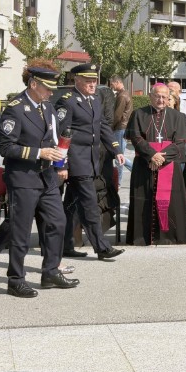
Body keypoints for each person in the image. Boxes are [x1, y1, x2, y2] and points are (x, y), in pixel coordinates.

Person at [0, 66, 80, 297]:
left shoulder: (48, 107)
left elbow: (54, 139)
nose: (50, 93)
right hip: (23, 178)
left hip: (46, 177)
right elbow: (6, 147)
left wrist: (59, 159)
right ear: (33, 84)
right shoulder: (15, 109)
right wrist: (39, 153)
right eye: (47, 88)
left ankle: (50, 271)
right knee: (21, 231)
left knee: (57, 222)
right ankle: (16, 279)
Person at [55, 63, 125, 261]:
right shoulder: (67, 102)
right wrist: (63, 165)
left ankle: (64, 245)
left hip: (91, 160)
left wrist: (116, 149)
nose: (93, 84)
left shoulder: (94, 100)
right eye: (88, 81)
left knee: (71, 205)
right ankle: (101, 247)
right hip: (76, 161)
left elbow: (103, 126)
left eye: (94, 80)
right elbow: (61, 135)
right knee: (89, 204)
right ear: (76, 80)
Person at [126, 83, 186, 245]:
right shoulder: (138, 114)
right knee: (144, 201)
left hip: (169, 165)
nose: (161, 100)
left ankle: (170, 237)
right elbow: (136, 138)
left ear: (169, 98)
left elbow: (180, 143)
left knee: (172, 204)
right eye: (157, 96)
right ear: (150, 96)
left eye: (164, 97)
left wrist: (160, 157)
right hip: (144, 164)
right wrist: (151, 155)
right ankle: (142, 237)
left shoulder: (178, 117)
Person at [110, 76, 133, 184]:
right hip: (123, 127)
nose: (111, 86)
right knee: (119, 155)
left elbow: (117, 115)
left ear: (118, 82)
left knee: (118, 155)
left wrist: (111, 127)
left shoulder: (122, 96)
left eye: (112, 83)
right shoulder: (125, 93)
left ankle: (117, 182)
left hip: (120, 128)